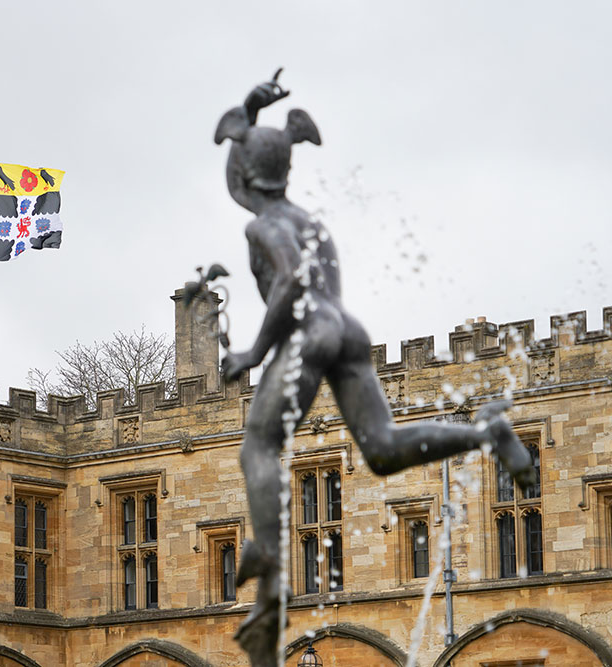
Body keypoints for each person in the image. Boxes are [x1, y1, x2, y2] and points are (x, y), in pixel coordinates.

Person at [213, 71, 536, 667]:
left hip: (309, 333)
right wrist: (253, 111)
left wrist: (253, 354)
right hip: (348, 330)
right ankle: (485, 432)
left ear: (249, 179)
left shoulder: (263, 225)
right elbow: (247, 186)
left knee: (258, 446)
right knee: (382, 449)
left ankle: (272, 576)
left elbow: (285, 279)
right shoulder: (312, 221)